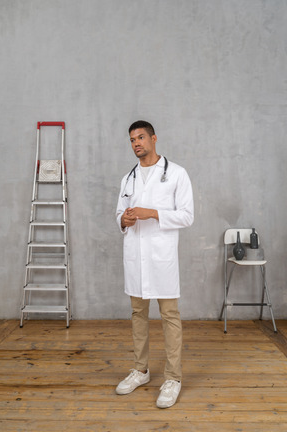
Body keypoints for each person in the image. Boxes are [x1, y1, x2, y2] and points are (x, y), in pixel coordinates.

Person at [115, 120, 194, 408]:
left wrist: (153, 213)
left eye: (141, 138)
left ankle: (173, 378)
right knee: (138, 313)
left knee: (169, 315)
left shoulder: (176, 174)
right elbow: (119, 214)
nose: (136, 143)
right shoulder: (128, 178)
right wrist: (123, 220)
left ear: (154, 139)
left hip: (161, 257)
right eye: (132, 139)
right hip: (136, 256)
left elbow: (187, 216)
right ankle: (141, 370)